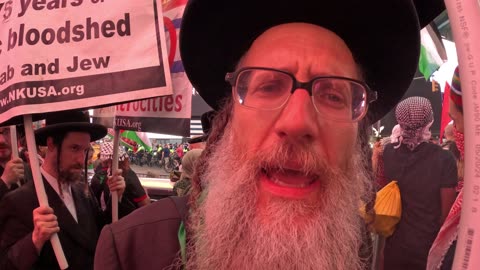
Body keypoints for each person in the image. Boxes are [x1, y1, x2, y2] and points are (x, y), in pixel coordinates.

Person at [94, 1, 446, 269]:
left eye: (333, 95)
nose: (296, 122)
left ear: (357, 134)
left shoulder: (358, 248)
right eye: (268, 86)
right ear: (229, 118)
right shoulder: (132, 248)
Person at [0, 110, 128, 270]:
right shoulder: (18, 201)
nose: (81, 160)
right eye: (74, 148)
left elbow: (100, 231)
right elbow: (6, 264)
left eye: (85, 150)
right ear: (52, 144)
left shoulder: (81, 188)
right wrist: (34, 240)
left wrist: (116, 198)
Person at [381, 97, 457, 270]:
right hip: (427, 253)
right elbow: (446, 217)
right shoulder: (444, 159)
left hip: (394, 250)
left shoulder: (388, 154)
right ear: (429, 121)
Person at [427, 67, 465, 270]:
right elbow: (445, 206)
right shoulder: (441, 157)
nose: (454, 129)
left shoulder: (388, 153)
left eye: (455, 119)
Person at [91, 141, 150, 217]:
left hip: (103, 221)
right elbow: (144, 204)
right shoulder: (127, 174)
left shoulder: (97, 174)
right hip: (125, 221)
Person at [0, 126, 30, 200]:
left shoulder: (27, 169)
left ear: (18, 136)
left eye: (7, 132)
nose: (1, 140)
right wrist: (4, 181)